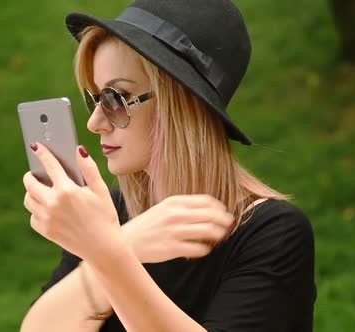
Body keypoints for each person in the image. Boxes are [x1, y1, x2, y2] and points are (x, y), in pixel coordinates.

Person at [19, 0, 316, 331]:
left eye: (115, 98)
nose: (95, 122)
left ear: (181, 104)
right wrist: (124, 244)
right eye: (95, 99)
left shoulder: (271, 232)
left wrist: (106, 251)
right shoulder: (113, 213)